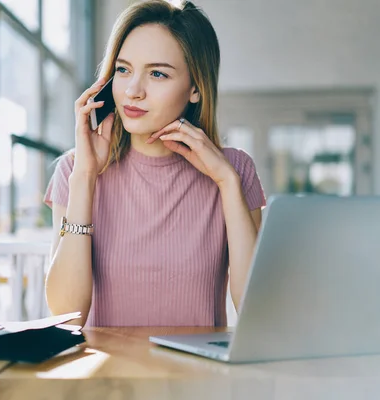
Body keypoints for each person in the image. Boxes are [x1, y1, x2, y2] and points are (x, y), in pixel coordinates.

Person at [43, 0, 266, 327]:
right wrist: (86, 177)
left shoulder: (235, 169)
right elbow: (66, 316)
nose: (133, 91)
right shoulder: (76, 170)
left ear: (195, 88)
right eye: (123, 70)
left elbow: (256, 310)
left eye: (157, 73)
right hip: (106, 376)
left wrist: (227, 182)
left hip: (197, 376)